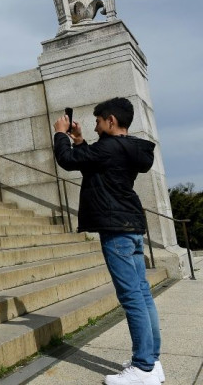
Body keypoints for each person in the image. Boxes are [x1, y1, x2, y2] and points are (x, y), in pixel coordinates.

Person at [53, 97, 163, 385]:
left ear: (111, 121)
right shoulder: (127, 148)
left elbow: (68, 162)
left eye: (98, 121)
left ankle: (143, 368)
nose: (95, 126)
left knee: (132, 298)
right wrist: (79, 141)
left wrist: (60, 134)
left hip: (116, 231)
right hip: (132, 226)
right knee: (142, 294)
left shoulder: (109, 147)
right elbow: (92, 163)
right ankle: (151, 361)